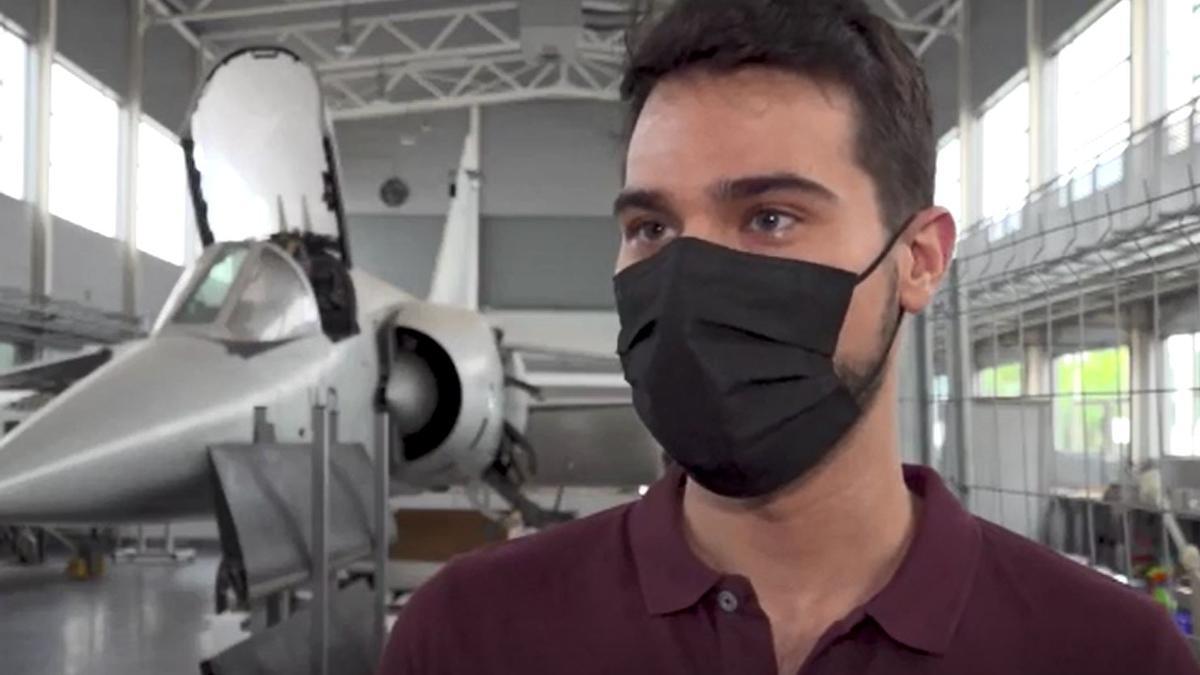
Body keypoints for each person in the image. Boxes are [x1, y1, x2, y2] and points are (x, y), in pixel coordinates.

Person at [378, 1, 1200, 673]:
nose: (690, 276)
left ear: (918, 260)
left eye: (770, 218)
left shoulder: (1113, 653)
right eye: (652, 226)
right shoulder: (468, 635)